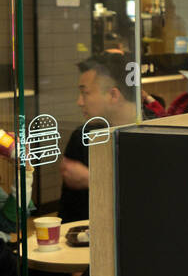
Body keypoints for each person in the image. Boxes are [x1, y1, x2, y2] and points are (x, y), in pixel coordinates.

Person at [59, 53, 156, 223]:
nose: (79, 101)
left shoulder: (156, 132)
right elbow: (70, 221)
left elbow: (153, 201)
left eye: (85, 93)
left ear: (113, 95)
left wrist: (93, 179)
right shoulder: (83, 137)